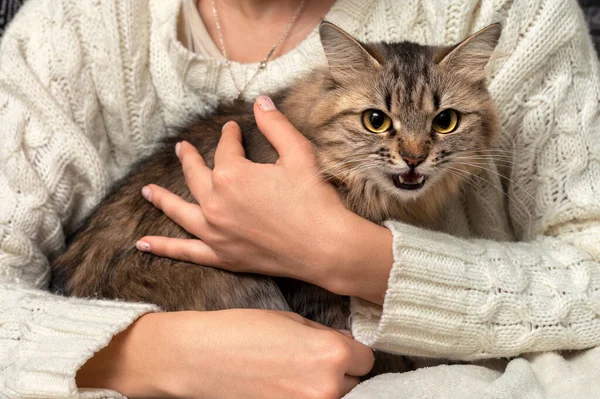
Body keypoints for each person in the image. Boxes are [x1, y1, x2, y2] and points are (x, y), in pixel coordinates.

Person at [0, 0, 599, 398]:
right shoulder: (69, 24)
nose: (413, 151)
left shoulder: (517, 12)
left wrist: (351, 256)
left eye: (441, 124)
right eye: (377, 121)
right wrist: (144, 353)